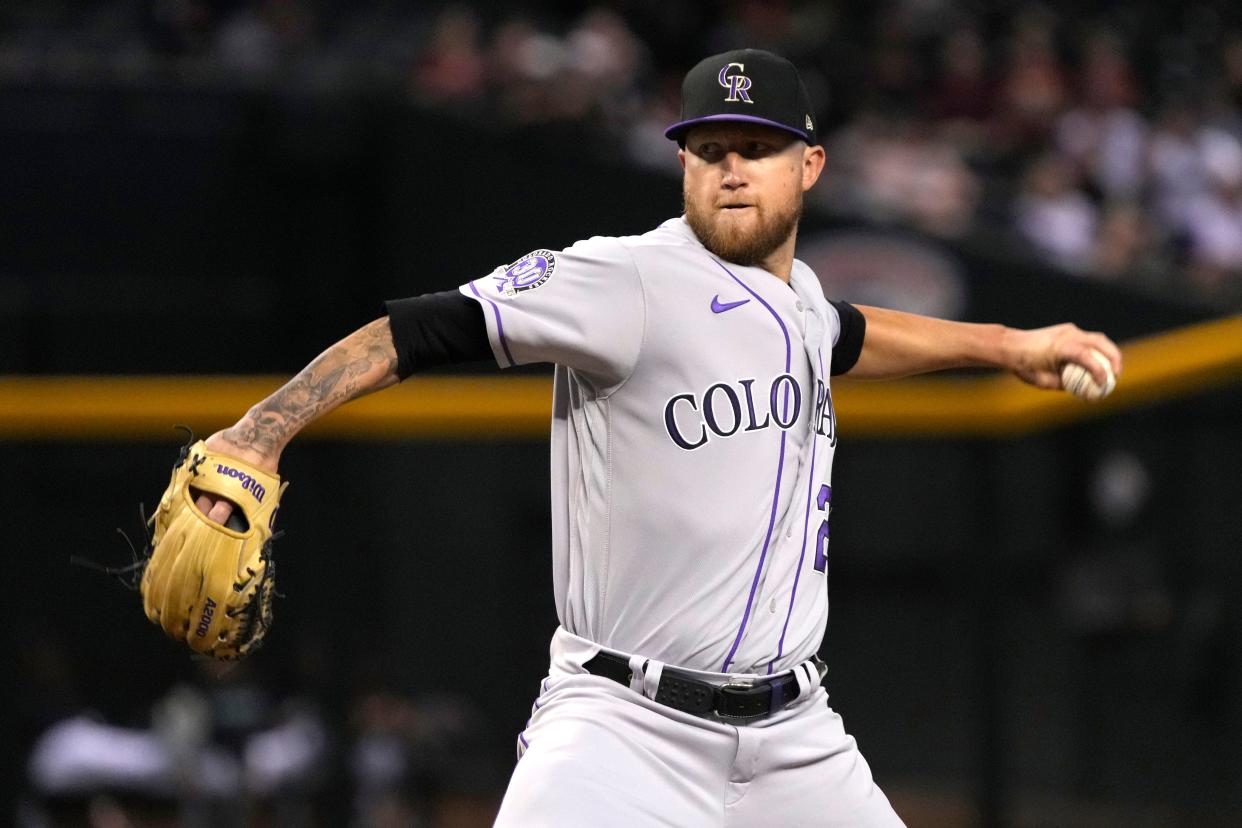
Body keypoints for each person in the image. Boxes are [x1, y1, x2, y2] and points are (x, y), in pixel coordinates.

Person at [193, 49, 1122, 826]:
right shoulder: (623, 280)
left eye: (758, 148)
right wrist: (260, 432)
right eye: (709, 147)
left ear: (810, 167)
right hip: (622, 727)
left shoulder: (796, 303)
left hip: (795, 739)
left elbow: (853, 334)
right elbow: (419, 330)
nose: (730, 168)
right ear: (681, 163)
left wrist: (1010, 344)